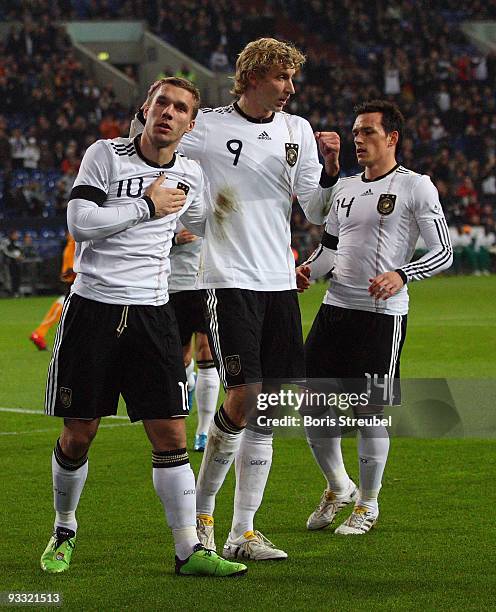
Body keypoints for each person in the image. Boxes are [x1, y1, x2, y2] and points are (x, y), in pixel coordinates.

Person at [131, 37, 340, 561]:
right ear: (250, 77)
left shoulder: (298, 132)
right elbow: (149, 147)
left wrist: (333, 171)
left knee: (267, 408)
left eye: (293, 79)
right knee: (244, 395)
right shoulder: (206, 127)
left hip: (278, 281)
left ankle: (243, 531)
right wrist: (170, 212)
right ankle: (203, 518)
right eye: (281, 78)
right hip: (226, 278)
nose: (290, 88)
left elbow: (315, 209)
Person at [40, 77, 247, 578]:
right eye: (162, 104)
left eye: (180, 109)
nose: (169, 113)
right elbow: (80, 222)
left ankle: (188, 551)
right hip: (94, 309)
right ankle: (64, 528)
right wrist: (147, 207)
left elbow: (200, 218)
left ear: (190, 124)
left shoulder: (192, 173)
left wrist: (197, 228)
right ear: (146, 109)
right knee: (79, 433)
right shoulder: (105, 155)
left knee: (171, 435)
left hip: (155, 313)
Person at [297, 100, 453, 535]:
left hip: (382, 317)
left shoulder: (416, 186)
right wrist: (308, 269)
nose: (358, 139)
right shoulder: (344, 189)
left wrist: (403, 274)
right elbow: (329, 249)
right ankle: (337, 486)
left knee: (370, 413)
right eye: (355, 131)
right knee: (314, 407)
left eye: (367, 132)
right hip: (335, 311)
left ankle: (368, 504)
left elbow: (444, 252)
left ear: (392, 138)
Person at [168, 223, 220, 451]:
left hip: (207, 282)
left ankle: (203, 430)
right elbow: (145, 237)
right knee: (180, 358)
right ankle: (189, 383)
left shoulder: (212, 193)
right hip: (174, 285)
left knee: (206, 352)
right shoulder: (168, 195)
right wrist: (174, 241)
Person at [30, 233, 76, 351]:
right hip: (76, 276)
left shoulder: (73, 240)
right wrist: (71, 269)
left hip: (73, 274)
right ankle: (39, 333)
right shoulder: (76, 240)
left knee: (66, 303)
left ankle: (39, 333)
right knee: (66, 303)